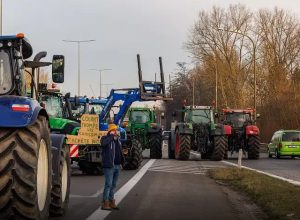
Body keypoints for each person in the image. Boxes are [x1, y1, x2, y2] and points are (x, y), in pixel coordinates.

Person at [100, 123, 124, 210]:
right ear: (110, 131)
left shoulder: (117, 140)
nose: (115, 132)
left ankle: (111, 201)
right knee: (108, 184)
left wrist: (121, 162)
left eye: (116, 130)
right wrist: (110, 137)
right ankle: (105, 203)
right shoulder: (105, 138)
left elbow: (119, 152)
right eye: (114, 130)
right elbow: (103, 144)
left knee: (113, 185)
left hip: (117, 165)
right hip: (109, 166)